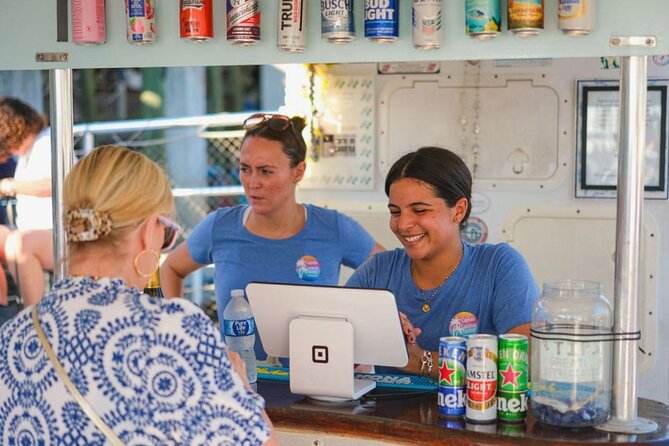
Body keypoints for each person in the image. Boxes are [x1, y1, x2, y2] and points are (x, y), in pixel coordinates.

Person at [0, 145, 278, 445]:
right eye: (166, 233)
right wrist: (242, 388)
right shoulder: (176, 332)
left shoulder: (12, 337)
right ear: (147, 231)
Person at [162, 113, 384, 360]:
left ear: (298, 172)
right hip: (241, 386)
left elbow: (393, 273)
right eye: (245, 169)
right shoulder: (220, 226)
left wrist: (357, 327)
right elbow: (170, 268)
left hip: (319, 383)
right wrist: (179, 331)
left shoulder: (333, 228)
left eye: (266, 171)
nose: (252, 182)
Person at [346, 146, 539, 378]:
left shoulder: (499, 266)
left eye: (419, 210)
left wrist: (422, 361)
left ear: (458, 211)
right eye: (395, 212)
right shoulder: (377, 271)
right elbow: (330, 345)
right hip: (383, 415)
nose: (404, 224)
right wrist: (369, 335)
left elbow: (524, 359)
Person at [0, 97, 53, 323]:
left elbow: (57, 183)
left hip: (58, 232)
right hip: (34, 230)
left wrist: (10, 186)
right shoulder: (29, 152)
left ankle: (34, 318)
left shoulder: (47, 141)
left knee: (19, 243)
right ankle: (3, 310)